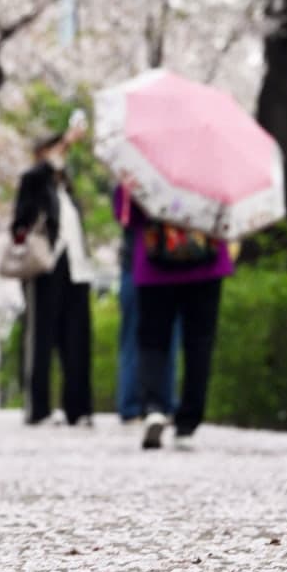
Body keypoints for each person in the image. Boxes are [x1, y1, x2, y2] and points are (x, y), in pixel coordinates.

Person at [128, 201, 235, 450]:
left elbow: (127, 214)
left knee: (152, 340)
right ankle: (188, 421)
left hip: (156, 263)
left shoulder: (147, 164)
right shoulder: (219, 165)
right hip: (207, 263)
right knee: (199, 343)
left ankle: (153, 407)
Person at [10, 111, 93, 426]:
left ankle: (78, 408)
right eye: (57, 148)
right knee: (41, 335)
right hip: (46, 265)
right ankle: (39, 408)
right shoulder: (33, 180)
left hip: (76, 266)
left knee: (76, 336)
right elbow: (19, 223)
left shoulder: (67, 186)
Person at [113, 179, 179, 423]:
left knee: (168, 336)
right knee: (136, 336)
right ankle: (131, 404)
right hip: (138, 264)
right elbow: (123, 215)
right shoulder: (131, 177)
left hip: (172, 266)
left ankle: (164, 402)